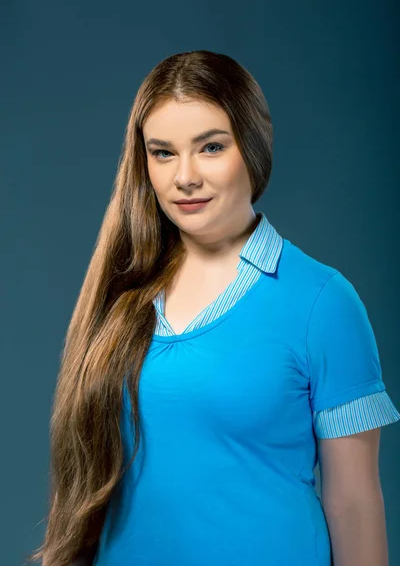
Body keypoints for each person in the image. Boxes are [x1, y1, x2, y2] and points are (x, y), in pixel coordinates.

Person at [28, 50, 400, 566]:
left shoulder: (324, 304)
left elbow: (354, 503)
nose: (185, 177)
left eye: (210, 147)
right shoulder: (117, 295)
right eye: (162, 152)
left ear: (252, 145)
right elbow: (82, 489)